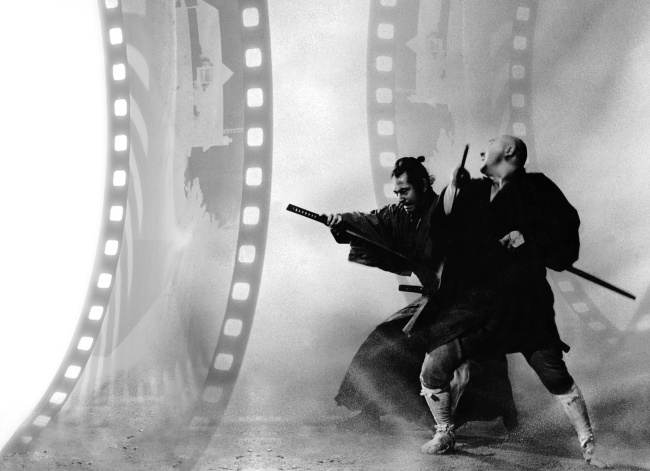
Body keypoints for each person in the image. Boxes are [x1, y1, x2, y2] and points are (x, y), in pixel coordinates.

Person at [415, 135, 607, 468]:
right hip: (475, 304)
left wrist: (528, 237)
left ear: (508, 152)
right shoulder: (473, 190)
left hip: (523, 303)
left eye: (489, 144)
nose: (481, 150)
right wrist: (452, 192)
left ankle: (589, 446)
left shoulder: (538, 188)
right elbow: (440, 235)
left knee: (553, 373)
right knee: (434, 366)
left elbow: (565, 238)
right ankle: (445, 432)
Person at [323, 156, 518, 433]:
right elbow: (370, 221)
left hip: (471, 301)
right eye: (397, 192)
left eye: (405, 191)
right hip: (436, 301)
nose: (400, 197)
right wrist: (341, 222)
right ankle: (371, 411)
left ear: (424, 185)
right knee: (386, 340)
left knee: (478, 361)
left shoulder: (447, 211)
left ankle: (508, 420)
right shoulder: (399, 215)